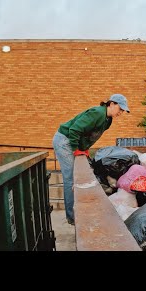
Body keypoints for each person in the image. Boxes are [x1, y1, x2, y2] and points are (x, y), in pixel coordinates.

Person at [52, 93, 130, 225]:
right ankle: (72, 217)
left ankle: (76, 213)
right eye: (120, 109)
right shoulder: (97, 113)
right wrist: (76, 149)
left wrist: (84, 148)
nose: (121, 112)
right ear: (111, 104)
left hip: (71, 141)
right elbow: (75, 130)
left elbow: (88, 134)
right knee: (70, 178)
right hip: (64, 140)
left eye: (123, 110)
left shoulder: (107, 120)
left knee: (76, 177)